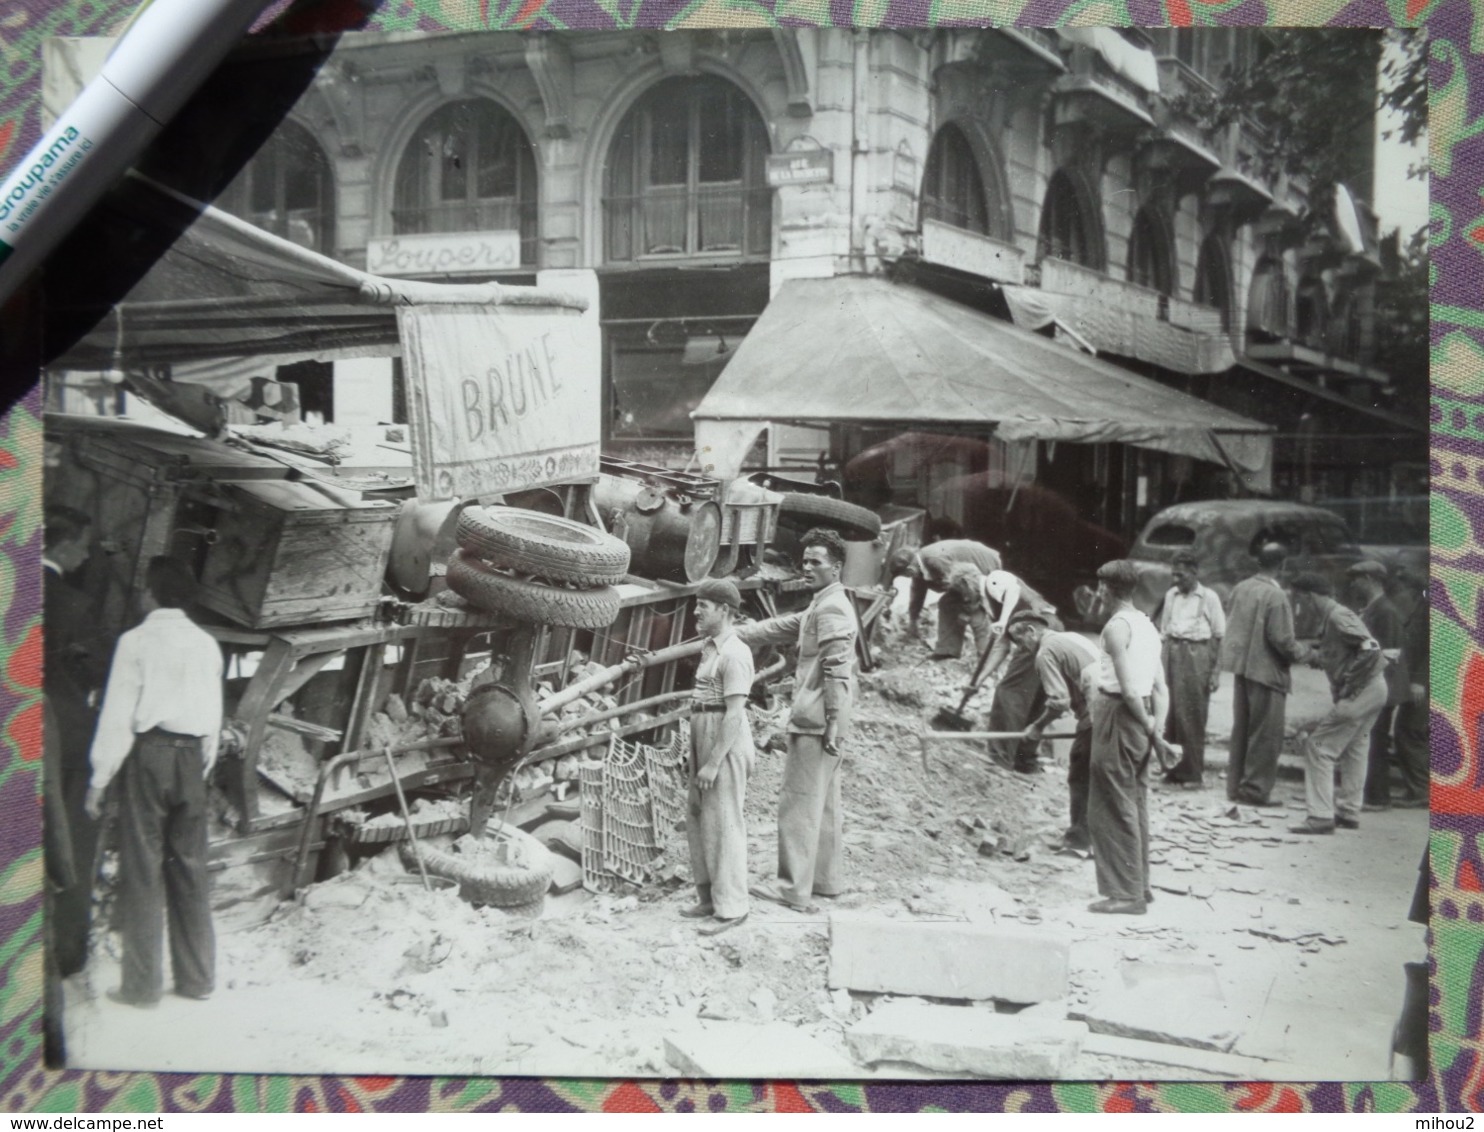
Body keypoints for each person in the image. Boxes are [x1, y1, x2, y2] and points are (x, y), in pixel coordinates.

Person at [85, 557, 224, 1007]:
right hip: (191, 759)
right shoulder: (206, 644)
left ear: (150, 592)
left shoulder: (136, 641)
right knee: (190, 867)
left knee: (143, 868)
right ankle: (198, 979)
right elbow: (214, 717)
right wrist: (198, 769)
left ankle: (141, 987)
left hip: (150, 755)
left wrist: (99, 778)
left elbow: (118, 715)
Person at [742, 528, 858, 914]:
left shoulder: (832, 608)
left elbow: (837, 672)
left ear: (836, 568)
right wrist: (734, 634)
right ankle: (825, 882)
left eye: (816, 562)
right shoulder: (823, 603)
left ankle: (792, 890)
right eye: (804, 561)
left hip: (816, 721)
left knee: (798, 806)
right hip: (825, 720)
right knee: (823, 806)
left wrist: (831, 726)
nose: (807, 568)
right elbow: (780, 627)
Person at [1087, 560, 1170, 915]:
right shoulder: (1148, 626)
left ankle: (1126, 894)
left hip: (1119, 715)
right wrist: (1157, 728)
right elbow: (1160, 688)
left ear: (1107, 588)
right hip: (1141, 717)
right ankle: (1140, 884)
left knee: (1110, 805)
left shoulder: (1116, 628)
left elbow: (1130, 691)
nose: (1098, 594)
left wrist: (1151, 727)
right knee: (1134, 801)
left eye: (1100, 587)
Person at [43, 503, 104, 978]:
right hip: (65, 740)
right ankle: (66, 954)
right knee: (71, 846)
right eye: (82, 546)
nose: (86, 556)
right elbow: (91, 674)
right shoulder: (76, 606)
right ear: (62, 546)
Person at [681, 579, 756, 937]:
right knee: (699, 816)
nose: (696, 611)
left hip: (723, 738)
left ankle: (732, 907)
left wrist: (712, 763)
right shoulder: (710, 648)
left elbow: (735, 713)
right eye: (697, 604)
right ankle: (708, 897)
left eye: (704, 606)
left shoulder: (735, 653)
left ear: (724, 610)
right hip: (702, 729)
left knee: (724, 821)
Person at [1287, 573, 1386, 835]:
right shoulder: (1334, 617)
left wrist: (1350, 686)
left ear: (1309, 596)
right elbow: (1344, 653)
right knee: (1355, 747)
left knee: (1318, 747)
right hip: (1374, 688)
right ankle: (1349, 811)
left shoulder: (1337, 616)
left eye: (1300, 598)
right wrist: (1318, 657)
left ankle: (1320, 816)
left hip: (1363, 690)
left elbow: (1371, 648)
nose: (1300, 604)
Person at [1220, 543, 1311, 806]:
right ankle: (1256, 790)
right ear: (1282, 565)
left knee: (1242, 730)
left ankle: (1235, 786)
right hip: (1267, 672)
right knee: (1266, 735)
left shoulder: (1241, 588)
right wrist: (1305, 654)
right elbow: (1282, 639)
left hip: (1242, 671)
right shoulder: (1276, 596)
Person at [947, 564, 1061, 773]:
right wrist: (979, 680)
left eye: (963, 593)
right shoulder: (992, 601)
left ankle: (1000, 758)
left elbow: (1013, 590)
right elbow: (1003, 645)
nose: (965, 600)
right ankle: (1024, 760)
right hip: (1051, 629)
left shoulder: (993, 580)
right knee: (1035, 696)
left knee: (1010, 693)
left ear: (966, 584)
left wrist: (1002, 618)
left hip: (1037, 631)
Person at [1010, 609, 1101, 851]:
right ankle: (1097, 837)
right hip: (1112, 707)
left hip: (1097, 713)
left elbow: (1059, 701)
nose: (1021, 648)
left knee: (1080, 773)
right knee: (1099, 775)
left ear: (1031, 631)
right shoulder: (1070, 637)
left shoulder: (1045, 652)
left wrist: (1037, 727)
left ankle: (1079, 840)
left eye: (1019, 641)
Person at [1155, 551, 1226, 789]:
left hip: (1197, 656)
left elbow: (1219, 637)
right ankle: (1173, 770)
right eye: (1173, 574)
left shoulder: (1209, 598)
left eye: (1181, 574)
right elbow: (1164, 632)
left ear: (1195, 572)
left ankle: (1193, 774)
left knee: (1192, 715)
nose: (1176, 579)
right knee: (1169, 713)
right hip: (1172, 653)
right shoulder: (1171, 596)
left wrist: (1215, 672)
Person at [1348, 560, 1406, 811]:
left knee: (1376, 739)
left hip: (1382, 685)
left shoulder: (1385, 611)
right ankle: (1371, 794)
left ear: (1370, 579)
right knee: (1370, 737)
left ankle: (1378, 797)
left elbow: (1391, 653)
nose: (1354, 584)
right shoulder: (1374, 608)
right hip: (1375, 684)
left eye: (1357, 579)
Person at [888, 539, 1003, 658]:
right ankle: (947, 651)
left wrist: (966, 610)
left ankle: (987, 657)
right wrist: (913, 619)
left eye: (906, 575)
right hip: (967, 577)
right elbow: (918, 593)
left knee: (976, 613)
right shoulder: (920, 566)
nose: (909, 577)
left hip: (985, 564)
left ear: (909, 570)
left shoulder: (935, 560)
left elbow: (967, 585)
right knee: (946, 603)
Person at [1389, 561, 1429, 808]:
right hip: (1419, 680)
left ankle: (1421, 790)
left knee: (1410, 731)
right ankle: (1417, 788)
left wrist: (1419, 682)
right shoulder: (1424, 602)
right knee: (1410, 730)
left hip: (1424, 683)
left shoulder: (1432, 604)